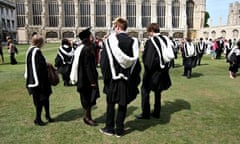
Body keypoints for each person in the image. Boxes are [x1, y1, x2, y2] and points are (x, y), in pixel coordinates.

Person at [99, 17, 141, 137]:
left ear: (117, 27)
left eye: (114, 27)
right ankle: (120, 130)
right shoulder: (134, 42)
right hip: (127, 79)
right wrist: (133, 78)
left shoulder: (110, 41)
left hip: (113, 78)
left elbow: (104, 62)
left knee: (111, 103)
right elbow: (136, 64)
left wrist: (106, 77)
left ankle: (109, 128)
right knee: (123, 103)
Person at [135, 23, 174, 120]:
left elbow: (149, 61)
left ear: (152, 31)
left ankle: (145, 113)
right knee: (158, 92)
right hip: (163, 71)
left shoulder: (151, 42)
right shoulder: (165, 39)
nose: (148, 34)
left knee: (145, 91)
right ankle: (157, 112)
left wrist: (144, 54)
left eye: (148, 32)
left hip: (152, 72)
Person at [70, 27, 100, 126]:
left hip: (84, 78)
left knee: (88, 98)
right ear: (87, 38)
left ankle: (88, 116)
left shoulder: (84, 48)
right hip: (86, 79)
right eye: (91, 36)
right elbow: (88, 67)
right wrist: (92, 81)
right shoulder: (87, 49)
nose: (92, 37)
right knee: (88, 99)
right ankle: (87, 118)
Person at [24, 34, 54, 126]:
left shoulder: (30, 50)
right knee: (40, 101)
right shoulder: (36, 52)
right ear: (40, 42)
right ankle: (38, 119)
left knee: (44, 100)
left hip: (33, 80)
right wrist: (47, 65)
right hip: (39, 82)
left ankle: (48, 116)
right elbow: (39, 67)